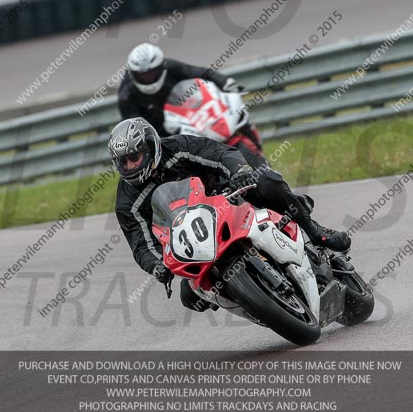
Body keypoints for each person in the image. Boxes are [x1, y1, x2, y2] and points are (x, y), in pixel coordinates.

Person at [109, 117, 351, 311]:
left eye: (134, 157)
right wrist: (157, 266)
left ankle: (315, 232)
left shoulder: (179, 148)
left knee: (266, 183)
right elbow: (140, 245)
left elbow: (220, 153)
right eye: (123, 162)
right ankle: (256, 303)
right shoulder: (127, 202)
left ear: (151, 147)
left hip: (226, 197)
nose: (130, 166)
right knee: (190, 297)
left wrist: (240, 171)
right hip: (195, 241)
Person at [117, 43, 245, 137]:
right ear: (133, 74)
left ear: (161, 67)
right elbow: (135, 128)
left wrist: (225, 81)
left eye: (151, 73)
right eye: (143, 75)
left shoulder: (171, 67)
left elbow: (200, 72)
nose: (148, 78)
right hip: (159, 134)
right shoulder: (126, 96)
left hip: (188, 120)